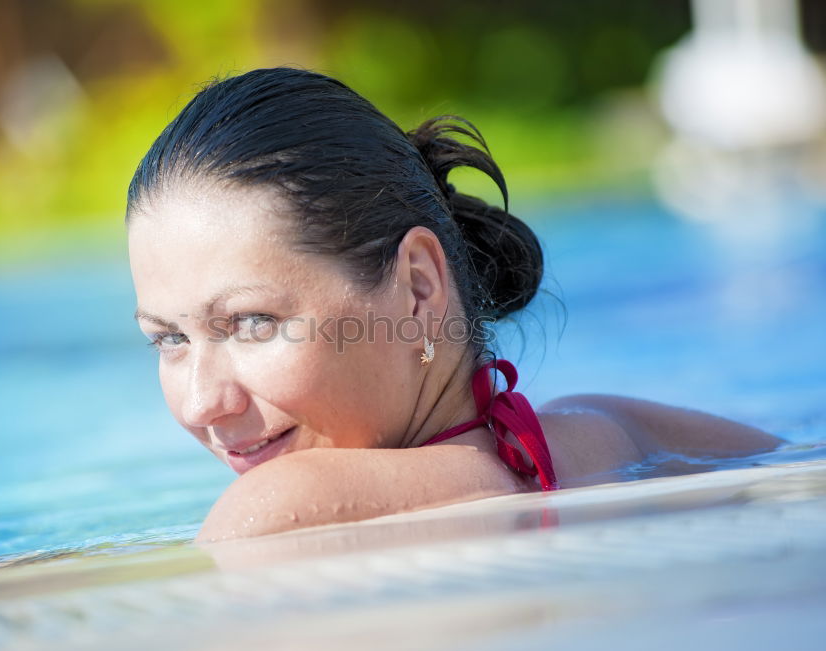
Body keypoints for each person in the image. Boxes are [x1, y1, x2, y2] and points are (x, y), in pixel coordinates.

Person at [125, 67, 784, 543]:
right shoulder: (613, 431)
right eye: (168, 340)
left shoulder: (281, 504)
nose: (200, 403)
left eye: (249, 323)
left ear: (417, 287)